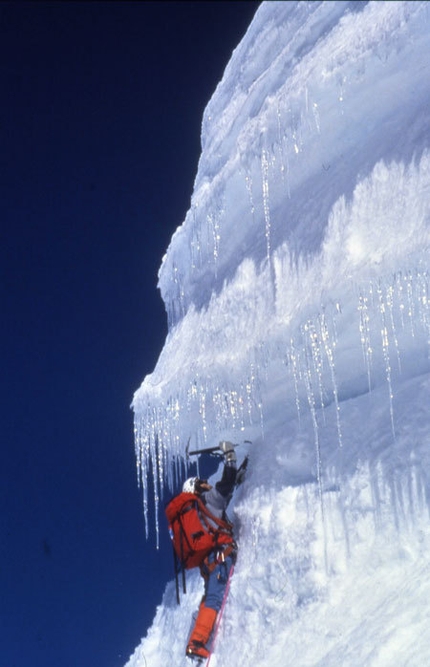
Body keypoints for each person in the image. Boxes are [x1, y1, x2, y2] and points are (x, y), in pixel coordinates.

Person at [185, 440, 237, 661]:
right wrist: (230, 457)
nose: (207, 483)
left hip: (209, 562)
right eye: (202, 482)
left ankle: (199, 636)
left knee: (209, 598)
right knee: (214, 598)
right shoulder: (205, 501)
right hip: (218, 557)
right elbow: (225, 486)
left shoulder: (199, 513)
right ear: (196, 489)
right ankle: (196, 643)